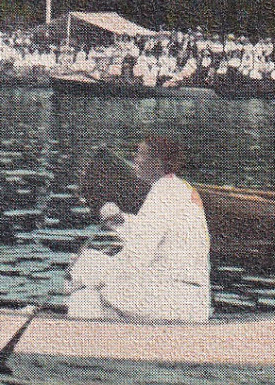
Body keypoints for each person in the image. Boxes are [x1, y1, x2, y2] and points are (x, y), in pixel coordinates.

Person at [66, 136, 211, 323]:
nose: (135, 159)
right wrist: (120, 221)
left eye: (140, 155)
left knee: (85, 274)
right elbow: (153, 231)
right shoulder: (180, 188)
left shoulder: (162, 193)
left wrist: (89, 276)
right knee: (91, 271)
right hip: (190, 299)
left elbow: (135, 259)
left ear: (157, 163)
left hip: (172, 299)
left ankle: (79, 341)